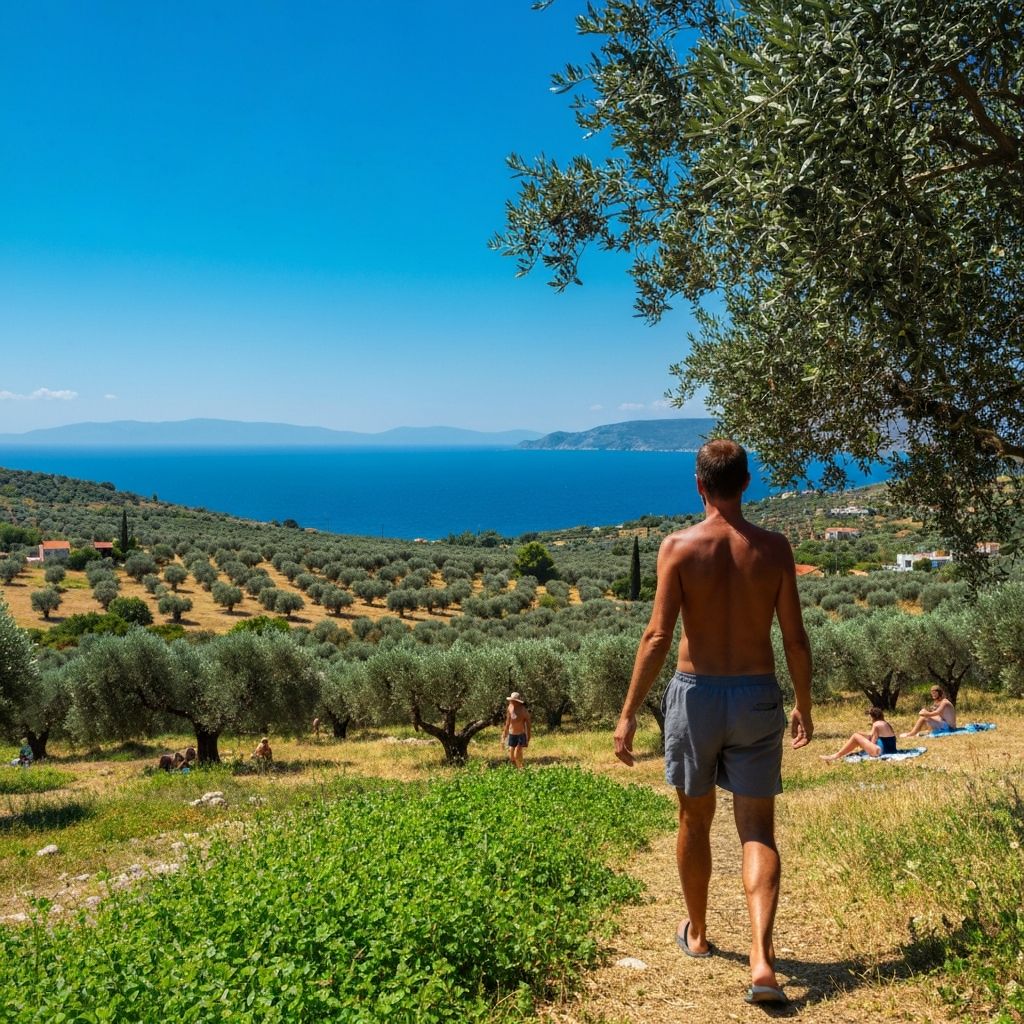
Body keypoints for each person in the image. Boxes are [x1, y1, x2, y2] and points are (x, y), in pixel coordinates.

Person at [613, 439, 813, 1007]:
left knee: (693, 818)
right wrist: (803, 702)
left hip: (696, 696)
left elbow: (656, 637)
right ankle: (762, 961)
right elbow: (794, 639)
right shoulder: (774, 549)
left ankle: (697, 935)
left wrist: (628, 713)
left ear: (699, 486)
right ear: (747, 483)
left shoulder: (677, 547)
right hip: (756, 695)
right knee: (756, 829)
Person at [820, 707, 897, 762]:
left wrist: (864, 747)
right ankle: (837, 754)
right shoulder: (886, 723)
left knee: (855, 736)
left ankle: (835, 756)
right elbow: (872, 735)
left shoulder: (876, 725)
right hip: (891, 750)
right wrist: (861, 735)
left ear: (872, 717)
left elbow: (873, 740)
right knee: (858, 735)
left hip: (880, 751)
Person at [501, 692, 532, 769]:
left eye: (513, 700)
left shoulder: (523, 711)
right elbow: (508, 722)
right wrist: (504, 735)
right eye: (511, 700)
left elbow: (528, 726)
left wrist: (528, 738)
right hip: (512, 734)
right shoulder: (510, 707)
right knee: (511, 757)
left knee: (516, 754)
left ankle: (521, 770)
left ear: (517, 701)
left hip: (520, 735)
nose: (511, 702)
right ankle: (518, 770)